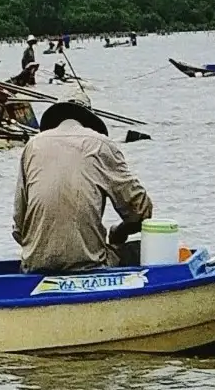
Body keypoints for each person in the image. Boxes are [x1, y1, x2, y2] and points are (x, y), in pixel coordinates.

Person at [12, 92, 153, 274]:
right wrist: (119, 232)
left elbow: (18, 227)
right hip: (89, 264)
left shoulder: (32, 146)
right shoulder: (101, 144)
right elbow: (141, 212)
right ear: (89, 121)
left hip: (34, 265)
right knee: (142, 251)